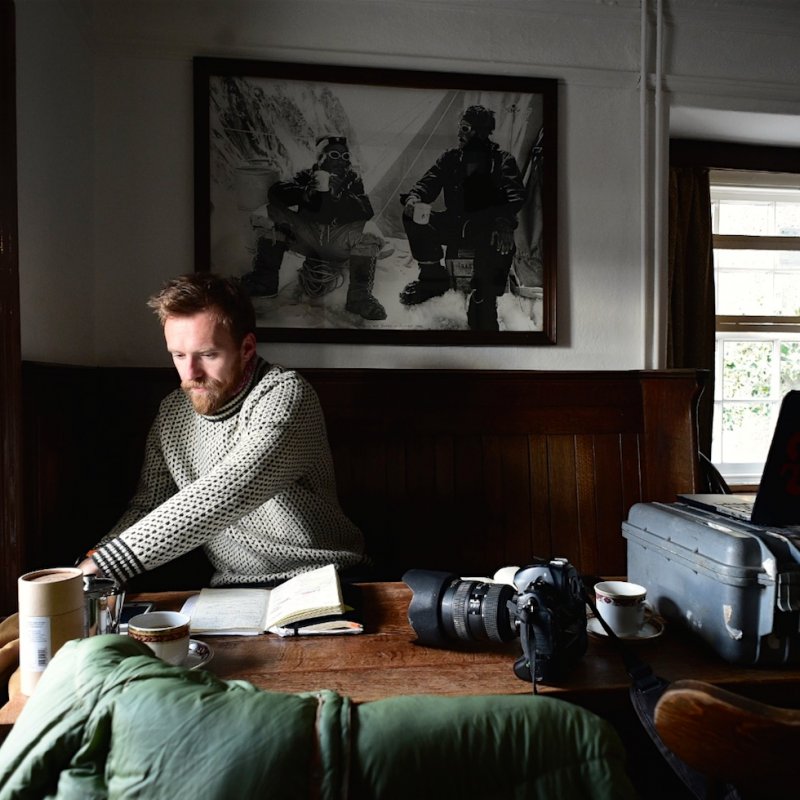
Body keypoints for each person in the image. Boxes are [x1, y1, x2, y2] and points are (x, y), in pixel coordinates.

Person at [78, 273, 366, 587]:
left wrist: (111, 562)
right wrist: (97, 556)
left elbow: (231, 490)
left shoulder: (285, 395)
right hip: (233, 588)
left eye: (208, 355)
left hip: (324, 577)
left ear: (246, 348)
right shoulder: (173, 411)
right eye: (178, 355)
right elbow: (149, 505)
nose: (191, 374)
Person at [399, 105, 526, 330]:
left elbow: (515, 196)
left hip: (487, 227)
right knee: (413, 217)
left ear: (481, 132)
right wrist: (413, 199)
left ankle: (483, 300)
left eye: (465, 129)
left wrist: (502, 221)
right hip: (453, 224)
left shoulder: (502, 160)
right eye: (461, 128)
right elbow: (427, 183)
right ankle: (432, 278)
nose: (460, 134)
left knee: (499, 243)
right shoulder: (450, 158)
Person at [242, 134, 387, 321]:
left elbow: (366, 210)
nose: (341, 161)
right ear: (321, 158)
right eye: (334, 155)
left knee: (369, 232)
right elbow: (276, 192)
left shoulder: (352, 181)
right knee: (270, 212)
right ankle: (264, 281)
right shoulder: (307, 176)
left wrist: (339, 196)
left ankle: (359, 298)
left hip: (337, 240)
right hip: (308, 238)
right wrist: (305, 193)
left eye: (345, 157)